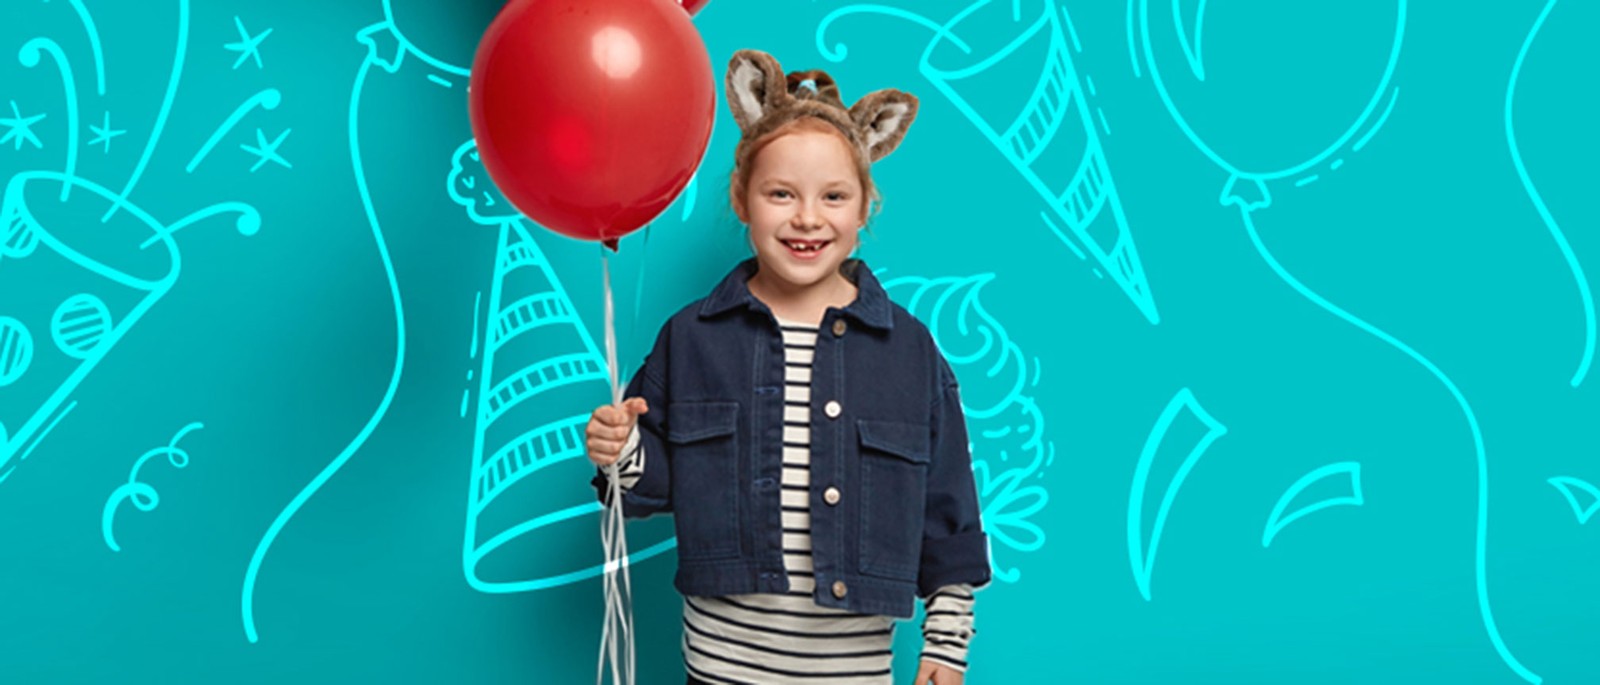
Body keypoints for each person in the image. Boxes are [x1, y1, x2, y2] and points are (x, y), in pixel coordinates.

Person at [587, 49, 990, 685]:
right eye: (781, 193)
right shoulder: (691, 339)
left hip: (851, 674)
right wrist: (621, 448)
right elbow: (647, 490)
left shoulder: (910, 353)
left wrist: (945, 645)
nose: (806, 217)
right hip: (721, 670)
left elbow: (949, 510)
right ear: (743, 200)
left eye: (833, 196)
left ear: (863, 210)